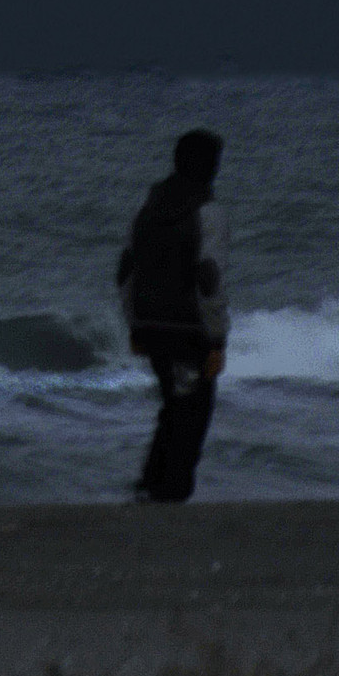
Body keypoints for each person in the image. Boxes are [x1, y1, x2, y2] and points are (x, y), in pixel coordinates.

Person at [116, 128, 229, 503]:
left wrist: (134, 323)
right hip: (189, 330)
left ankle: (151, 485)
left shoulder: (147, 207)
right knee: (193, 412)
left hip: (150, 325)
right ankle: (169, 494)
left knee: (173, 405)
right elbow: (209, 280)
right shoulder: (208, 212)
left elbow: (126, 271)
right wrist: (217, 340)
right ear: (211, 167)